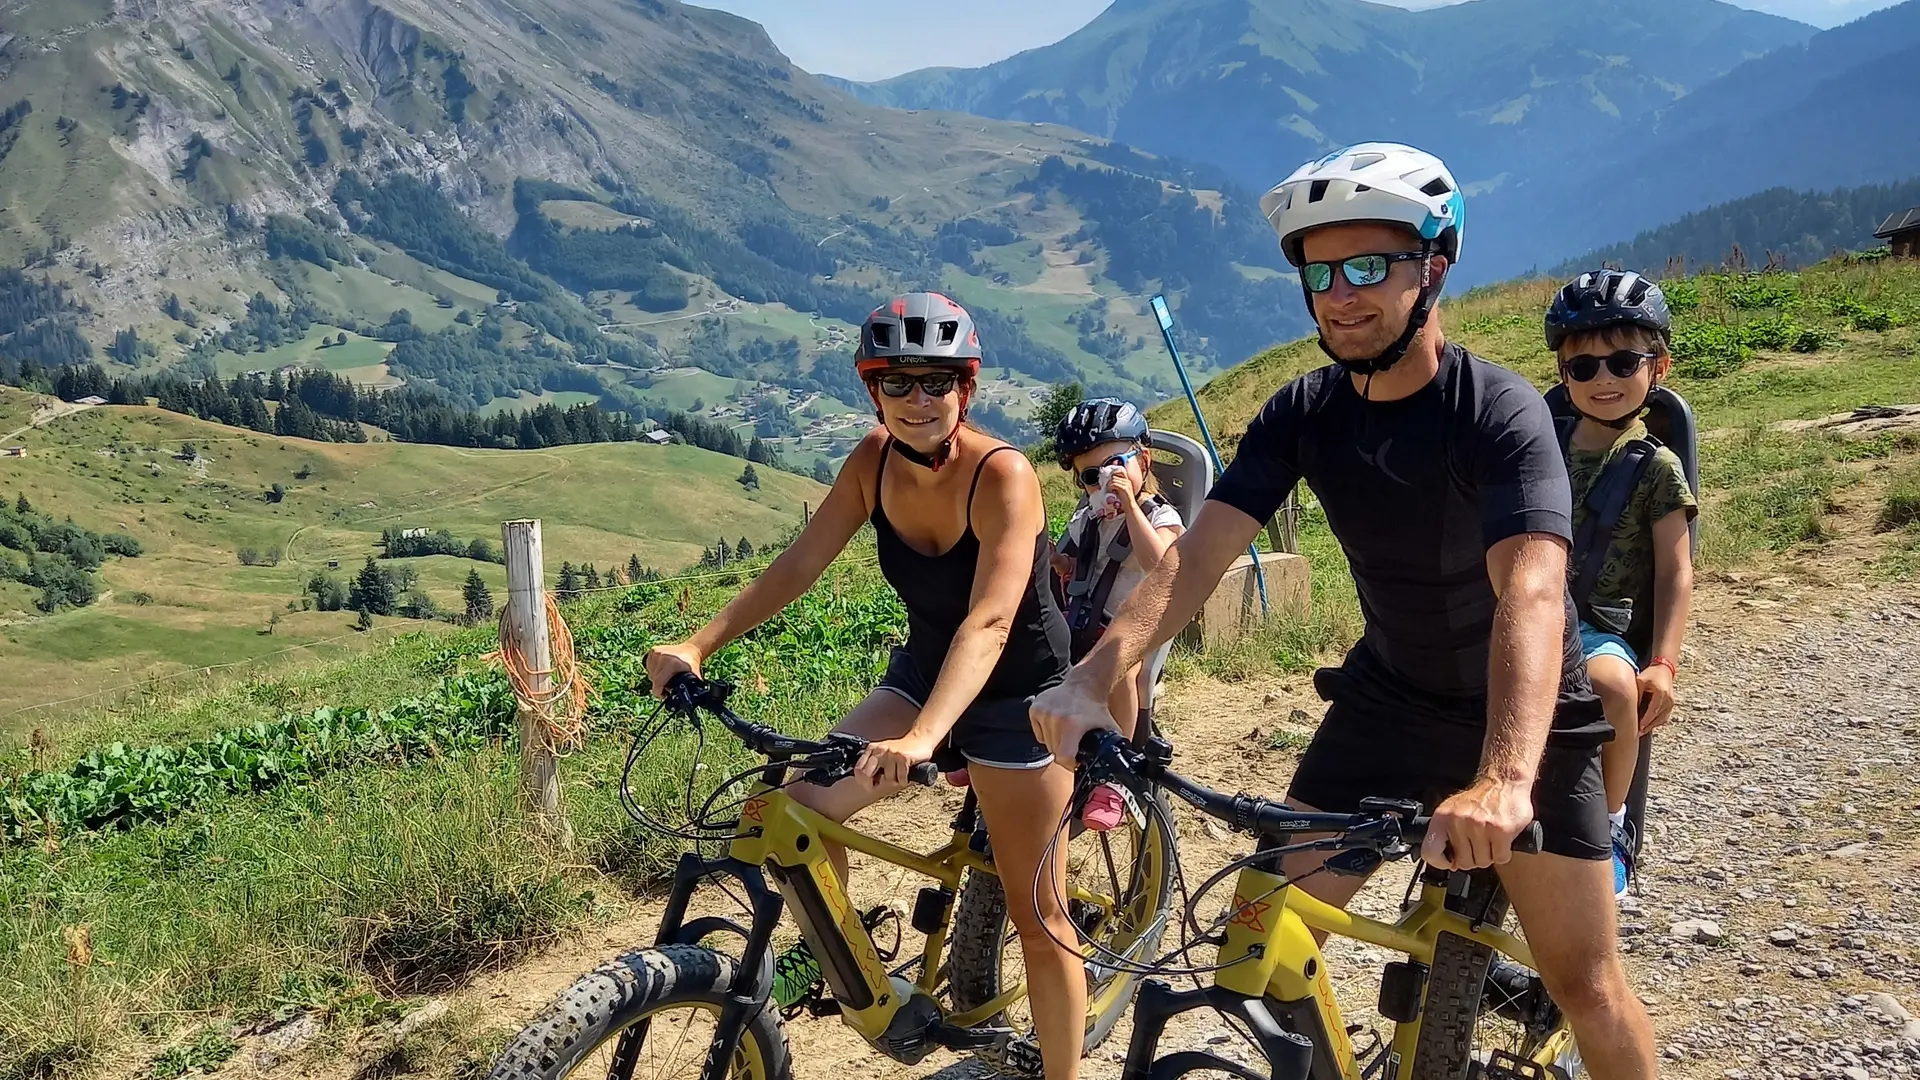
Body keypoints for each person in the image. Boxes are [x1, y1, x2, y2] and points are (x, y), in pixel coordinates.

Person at [1029, 143, 1658, 1080]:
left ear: (1434, 268)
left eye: (1370, 267)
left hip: (1530, 714)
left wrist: (1503, 777)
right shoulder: (1304, 410)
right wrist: (1092, 677)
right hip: (1390, 702)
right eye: (1319, 272)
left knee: (1586, 982)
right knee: (1254, 933)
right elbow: (1200, 553)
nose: (1340, 295)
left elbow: (1530, 591)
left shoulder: (1501, 411)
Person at [644, 292, 1092, 1080]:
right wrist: (697, 642)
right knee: (801, 812)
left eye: (936, 382)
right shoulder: (871, 461)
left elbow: (990, 622)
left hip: (1021, 697)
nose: (917, 400)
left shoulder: (1004, 476)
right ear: (872, 389)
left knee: (1038, 915)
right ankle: (856, 977)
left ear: (967, 389)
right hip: (925, 673)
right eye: (897, 383)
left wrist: (922, 741)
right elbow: (799, 564)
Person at [1545, 270, 1698, 897]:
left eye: (1622, 362)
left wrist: (1662, 663)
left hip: (1596, 626)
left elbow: (1675, 570)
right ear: (1562, 375)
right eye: (1583, 368)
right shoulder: (1535, 445)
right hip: (1523, 611)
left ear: (1656, 366)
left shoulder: (1656, 467)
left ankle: (1607, 828)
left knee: (1611, 684)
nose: (1603, 379)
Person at [1051, 398, 1185, 828]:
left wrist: (1130, 508)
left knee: (1121, 670)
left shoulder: (1159, 514)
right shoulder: (1088, 518)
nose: (1103, 483)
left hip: (1132, 626)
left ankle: (1116, 773)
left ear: (1142, 460)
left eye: (1113, 467)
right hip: (1080, 621)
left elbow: (1161, 565)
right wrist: (1055, 560)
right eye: (1091, 476)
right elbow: (1073, 565)